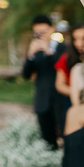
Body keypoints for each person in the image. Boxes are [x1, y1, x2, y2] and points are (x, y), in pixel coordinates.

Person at [22, 14, 67, 147]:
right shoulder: (35, 51)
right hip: (42, 101)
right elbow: (26, 74)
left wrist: (48, 52)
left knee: (66, 138)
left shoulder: (62, 48)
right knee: (48, 141)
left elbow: (63, 68)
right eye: (37, 33)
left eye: (43, 32)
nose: (40, 36)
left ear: (52, 29)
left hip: (60, 101)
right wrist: (30, 56)